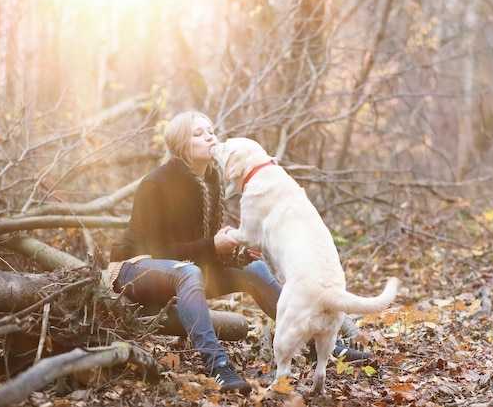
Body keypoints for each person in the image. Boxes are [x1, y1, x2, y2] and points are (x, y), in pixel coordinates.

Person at [107, 110, 370, 395]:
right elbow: (157, 249)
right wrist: (213, 246)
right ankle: (218, 365)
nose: (209, 137)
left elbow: (202, 248)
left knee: (254, 270)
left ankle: (315, 345)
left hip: (183, 270)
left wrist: (236, 253)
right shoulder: (155, 183)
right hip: (135, 269)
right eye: (198, 134)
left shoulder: (212, 180)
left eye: (210, 131)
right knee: (189, 272)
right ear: (181, 146)